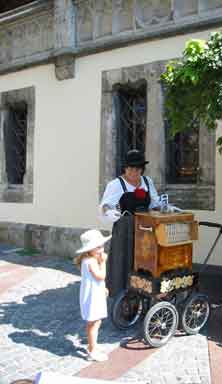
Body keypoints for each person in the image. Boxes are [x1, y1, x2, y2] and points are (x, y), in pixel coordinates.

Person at [99, 149, 160, 297]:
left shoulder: (147, 182)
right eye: (131, 168)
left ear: (142, 169)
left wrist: (162, 207)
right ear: (125, 168)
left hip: (145, 229)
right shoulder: (116, 184)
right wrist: (108, 212)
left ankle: (143, 293)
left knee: (144, 262)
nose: (134, 171)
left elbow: (154, 203)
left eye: (138, 168)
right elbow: (104, 206)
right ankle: (123, 295)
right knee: (124, 262)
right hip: (125, 229)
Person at [74, 229, 111, 362]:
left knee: (96, 321)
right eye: (98, 247)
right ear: (89, 249)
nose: (101, 249)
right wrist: (103, 262)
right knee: (93, 323)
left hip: (95, 293)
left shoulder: (89, 258)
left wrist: (103, 288)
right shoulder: (91, 261)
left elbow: (96, 280)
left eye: (102, 246)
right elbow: (101, 276)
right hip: (92, 297)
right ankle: (92, 350)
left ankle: (93, 345)